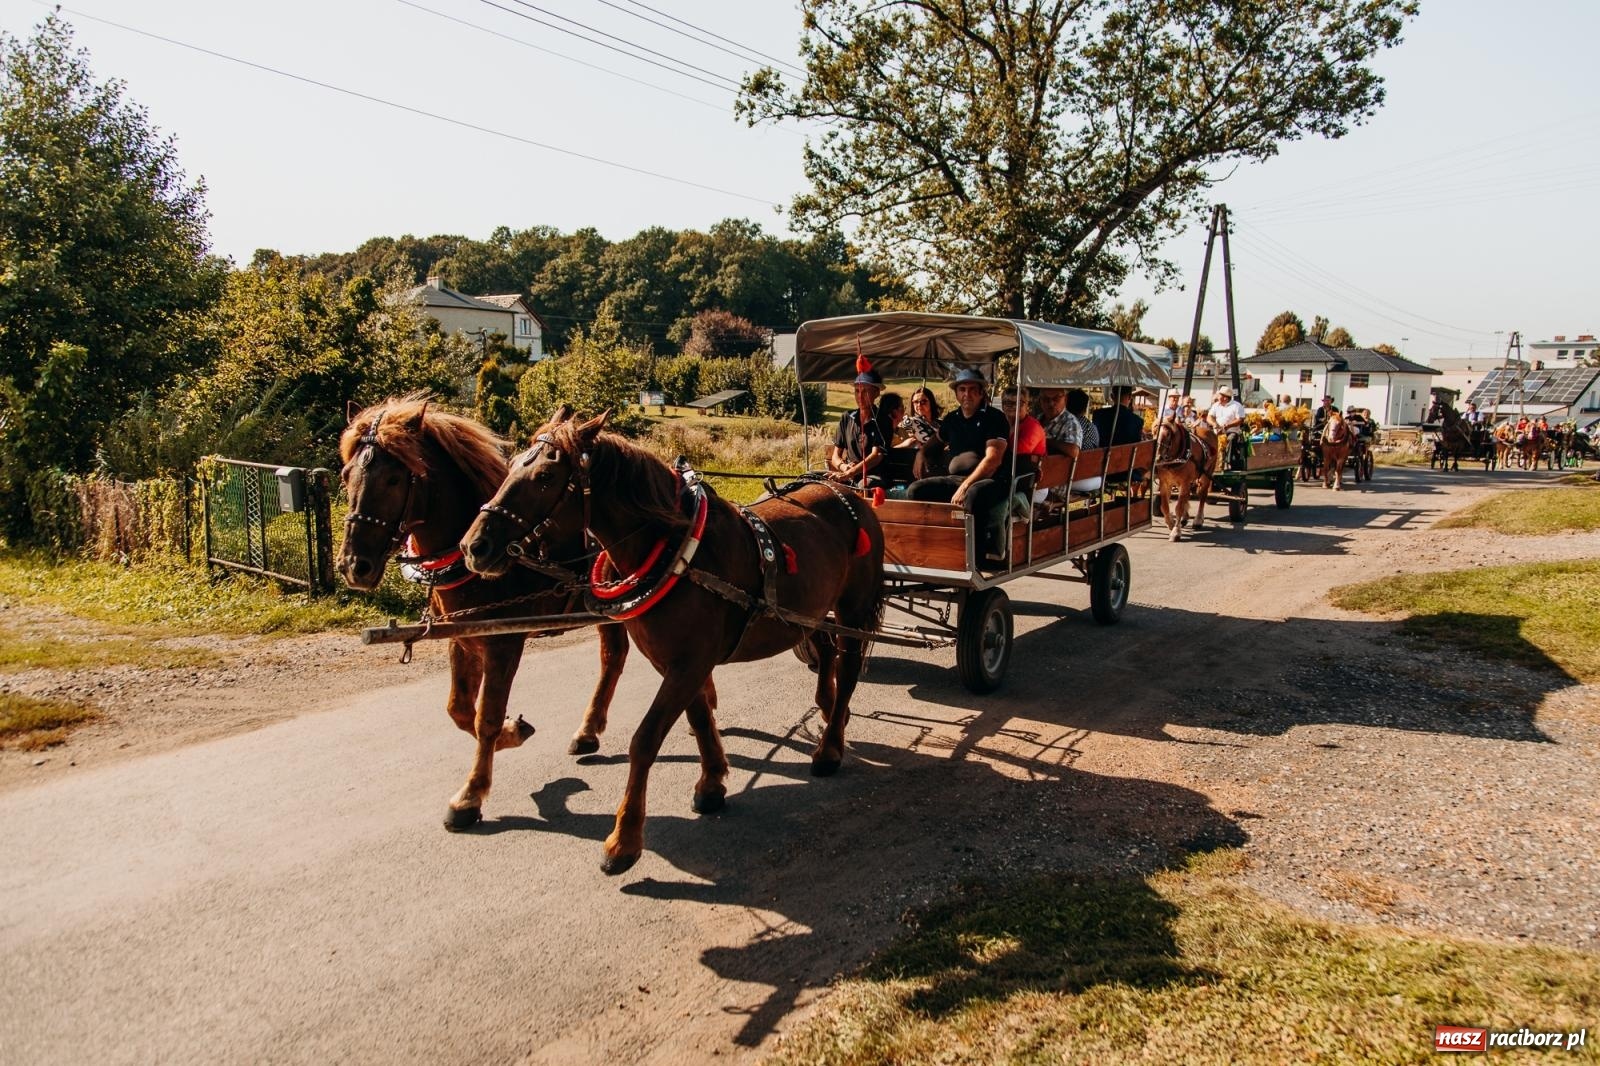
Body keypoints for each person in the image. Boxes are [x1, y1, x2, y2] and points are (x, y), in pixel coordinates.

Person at [906, 368, 1010, 558]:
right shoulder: (953, 419)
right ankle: (933, 548)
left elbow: (993, 460)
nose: (966, 394)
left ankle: (974, 559)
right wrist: (921, 453)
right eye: (962, 389)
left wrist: (965, 485)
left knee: (973, 495)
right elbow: (936, 441)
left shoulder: (995, 418)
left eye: (972, 389)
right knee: (915, 490)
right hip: (956, 479)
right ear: (956, 393)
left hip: (991, 480)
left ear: (981, 392)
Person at [828, 355, 889, 486]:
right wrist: (844, 468)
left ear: (876, 393)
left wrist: (850, 473)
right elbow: (835, 456)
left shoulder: (882, 420)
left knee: (864, 484)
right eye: (857, 391)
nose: (860, 396)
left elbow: (876, 456)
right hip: (848, 473)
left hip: (873, 476)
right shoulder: (846, 417)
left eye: (865, 392)